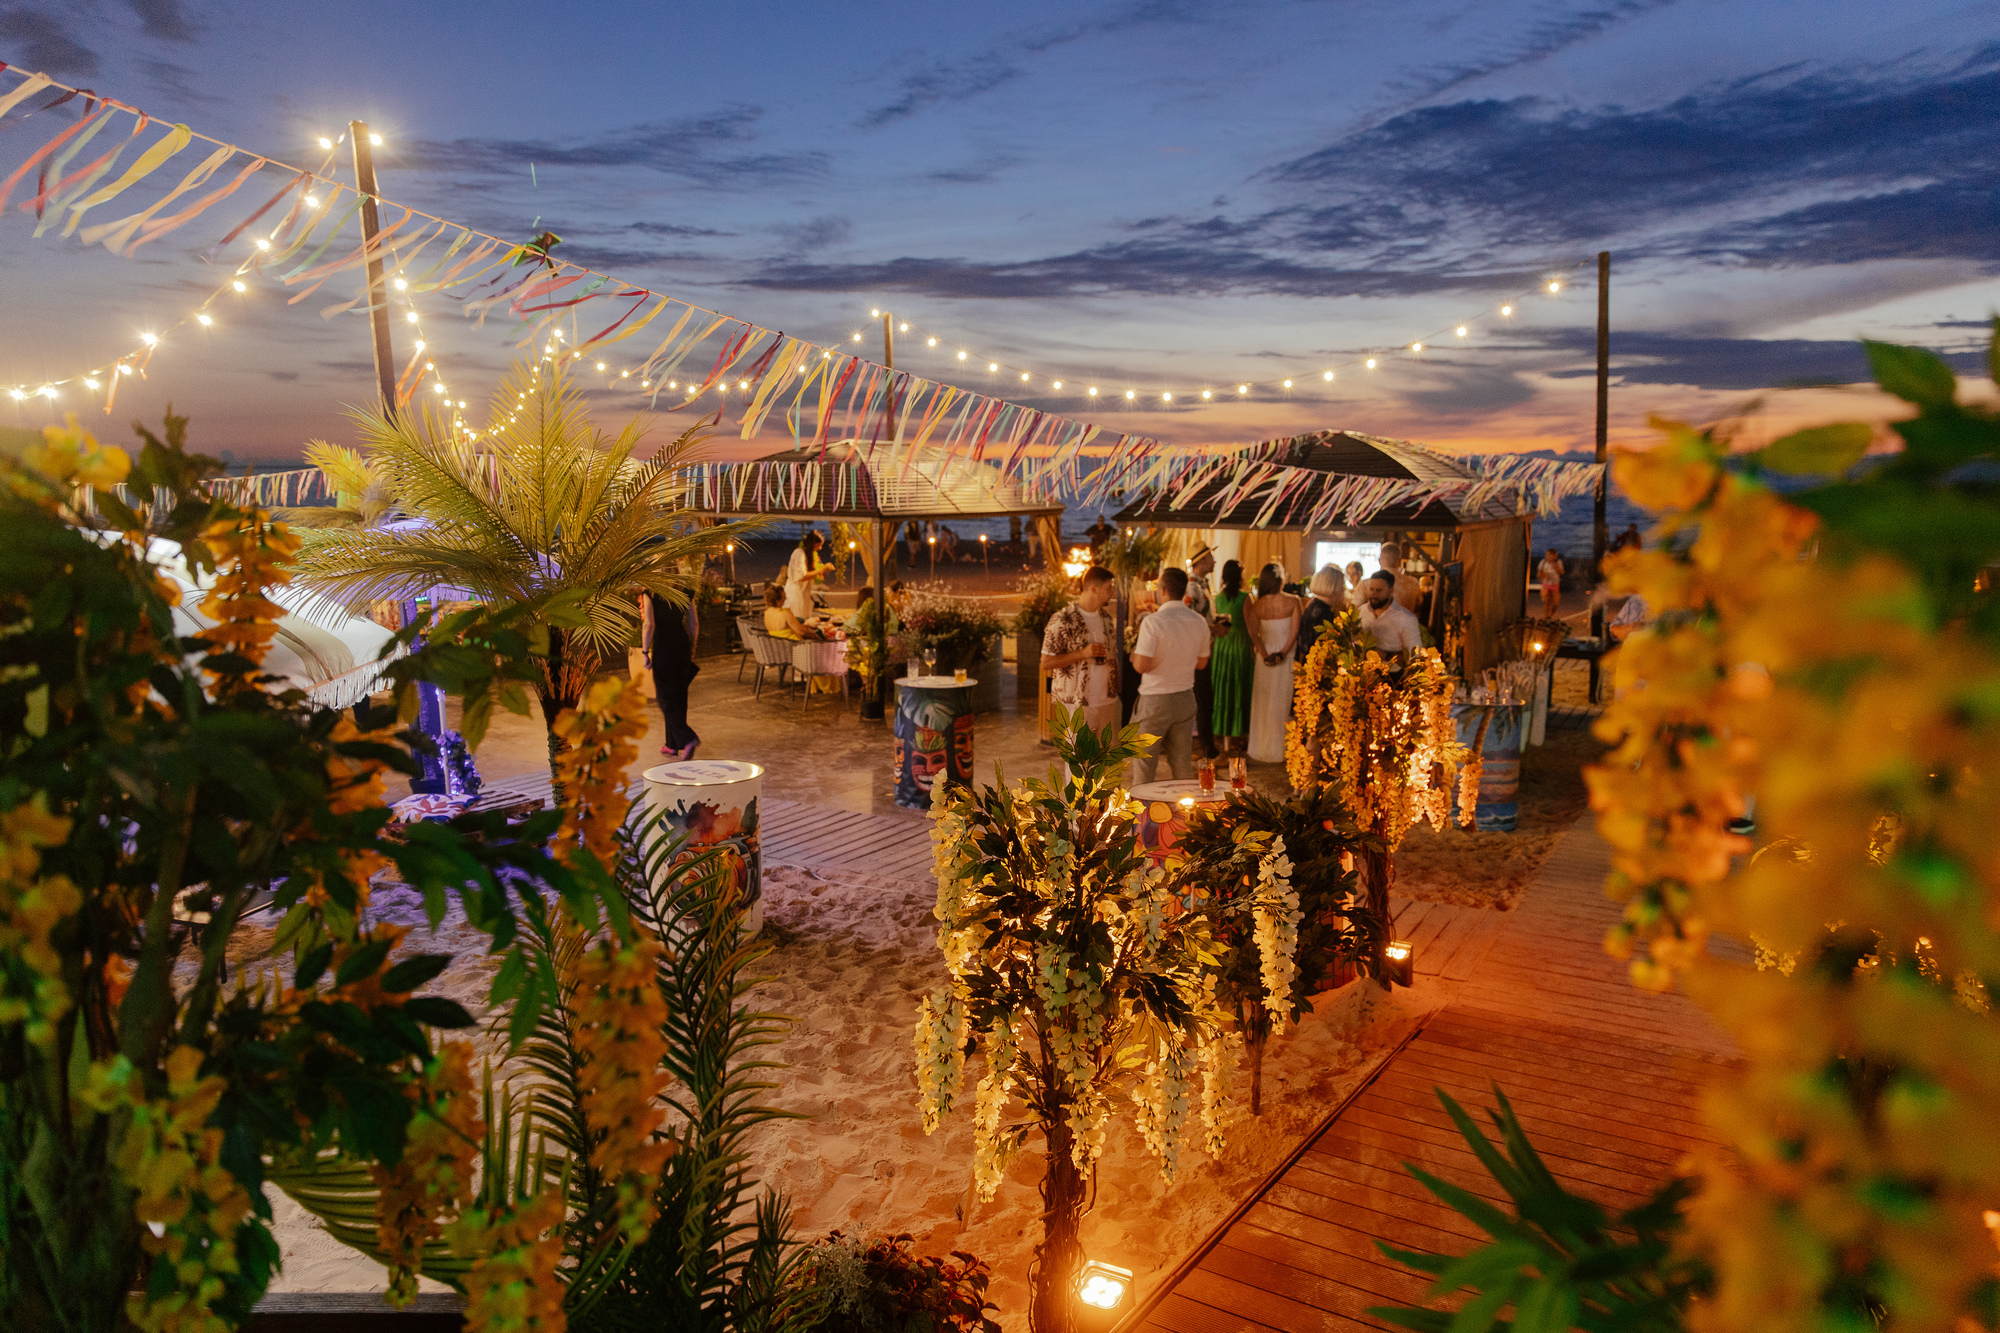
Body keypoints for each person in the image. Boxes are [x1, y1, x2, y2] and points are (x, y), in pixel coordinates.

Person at [1129, 567, 1212, 786]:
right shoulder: (1199, 621)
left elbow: (1141, 666)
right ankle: (1185, 806)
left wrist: (1135, 656)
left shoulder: (1153, 622)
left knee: (1145, 764)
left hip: (1155, 700)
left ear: (1163, 590)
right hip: (1185, 697)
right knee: (1182, 764)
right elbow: (1202, 663)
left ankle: (1142, 808)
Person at [1041, 564, 1119, 736]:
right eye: (1109, 588)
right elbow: (1046, 663)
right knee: (1079, 753)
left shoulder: (1106, 619)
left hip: (1106, 700)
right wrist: (1083, 654)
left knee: (1107, 751)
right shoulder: (1063, 619)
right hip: (1076, 703)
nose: (1112, 593)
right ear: (1094, 589)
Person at [1246, 563, 1300, 764]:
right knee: (1282, 700)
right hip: (1285, 655)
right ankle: (1282, 748)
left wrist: (1264, 653)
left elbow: (1253, 633)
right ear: (1281, 579)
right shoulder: (1293, 601)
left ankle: (1261, 747)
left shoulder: (1258, 604)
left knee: (1264, 702)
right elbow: (1295, 632)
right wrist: (1283, 652)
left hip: (1265, 657)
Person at [641, 590, 700, 760]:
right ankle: (672, 744)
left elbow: (649, 625)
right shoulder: (685, 591)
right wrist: (693, 646)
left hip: (663, 646)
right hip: (682, 644)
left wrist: (645, 652)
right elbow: (694, 623)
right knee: (679, 695)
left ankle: (688, 738)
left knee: (665, 698)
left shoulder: (652, 593)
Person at [1209, 559, 1254, 753]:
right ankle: (1240, 736)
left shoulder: (1218, 598)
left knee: (1224, 690)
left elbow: (1221, 625)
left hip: (1223, 647)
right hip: (1239, 646)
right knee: (1239, 689)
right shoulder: (1245, 598)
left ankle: (1225, 740)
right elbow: (1251, 626)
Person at [1185, 544, 1217, 758]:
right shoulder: (1192, 587)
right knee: (1202, 699)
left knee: (1205, 699)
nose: (1214, 561)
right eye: (1211, 557)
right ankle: (1207, 748)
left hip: (1204, 649)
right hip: (1195, 653)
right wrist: (1213, 629)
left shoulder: (1202, 585)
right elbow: (1189, 621)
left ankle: (1207, 746)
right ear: (1202, 561)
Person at [1356, 571, 1423, 656]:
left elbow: (1415, 654)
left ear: (1391, 591)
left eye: (1379, 590)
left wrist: (1387, 656)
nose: (1374, 594)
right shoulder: (1362, 611)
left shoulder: (1406, 619)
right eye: (1371, 589)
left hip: (1392, 664)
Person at [1298, 564, 1345, 662]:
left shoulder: (1314, 604)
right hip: (1317, 663)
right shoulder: (1323, 612)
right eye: (1342, 585)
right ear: (1333, 586)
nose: (1343, 589)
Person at [785, 530, 830, 620]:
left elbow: (811, 575)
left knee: (805, 620)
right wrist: (822, 569)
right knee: (797, 620)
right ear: (813, 544)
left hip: (804, 593)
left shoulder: (807, 555)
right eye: (819, 545)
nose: (820, 548)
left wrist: (822, 571)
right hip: (795, 595)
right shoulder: (799, 553)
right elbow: (802, 576)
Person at [1378, 542, 1422, 613]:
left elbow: (1359, 613)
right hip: (1407, 620)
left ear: (1379, 560)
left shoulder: (1367, 584)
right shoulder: (1413, 583)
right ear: (1400, 561)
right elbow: (1419, 606)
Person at [1538, 548, 1566, 619]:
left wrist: (1556, 567)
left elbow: (1562, 572)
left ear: (1554, 556)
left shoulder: (1558, 562)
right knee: (1547, 602)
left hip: (1555, 583)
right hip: (1546, 583)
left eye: (1550, 555)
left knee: (1556, 602)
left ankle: (1551, 615)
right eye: (1547, 555)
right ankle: (1546, 617)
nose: (1548, 557)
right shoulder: (1543, 562)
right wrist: (1542, 576)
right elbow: (1539, 573)